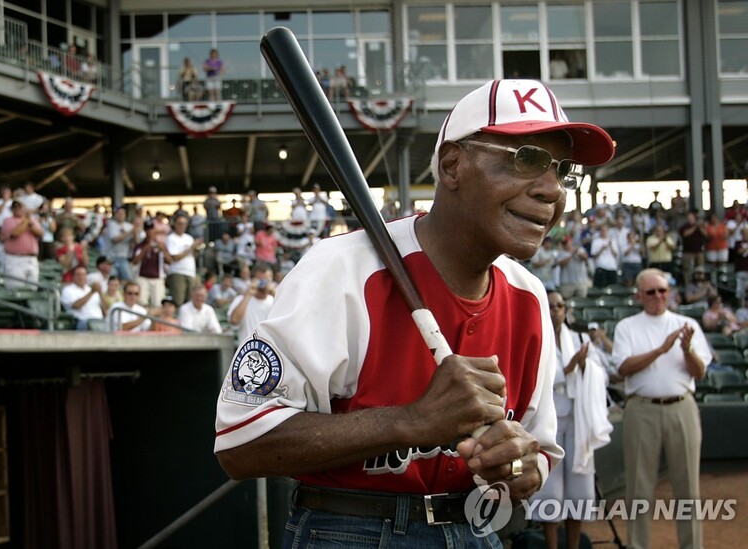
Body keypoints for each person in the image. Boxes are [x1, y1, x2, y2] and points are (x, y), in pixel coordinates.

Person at [214, 78, 615, 547]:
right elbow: (241, 443)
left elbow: (536, 454)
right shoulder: (343, 268)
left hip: (474, 528)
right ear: (452, 166)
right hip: (347, 528)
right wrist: (412, 421)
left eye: (563, 170)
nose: (552, 190)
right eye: (527, 159)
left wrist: (518, 465)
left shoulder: (529, 296)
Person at [612, 268, 711, 549]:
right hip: (641, 410)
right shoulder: (627, 327)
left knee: (688, 488)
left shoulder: (686, 324)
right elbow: (623, 367)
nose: (658, 296)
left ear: (670, 292)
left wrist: (687, 349)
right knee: (639, 488)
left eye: (663, 290)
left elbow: (699, 372)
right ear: (639, 295)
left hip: (682, 407)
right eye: (651, 292)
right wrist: (661, 349)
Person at [529, 291, 611, 549]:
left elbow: (603, 374)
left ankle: (573, 545)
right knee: (550, 488)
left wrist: (584, 366)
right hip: (548, 420)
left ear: (566, 310)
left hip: (578, 418)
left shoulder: (579, 338)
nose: (556, 310)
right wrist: (568, 369)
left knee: (579, 486)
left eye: (560, 306)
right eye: (551, 306)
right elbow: (533, 377)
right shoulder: (537, 336)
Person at [226, 263, 275, 344]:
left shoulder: (274, 300)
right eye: (261, 280)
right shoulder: (241, 300)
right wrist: (248, 294)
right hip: (248, 352)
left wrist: (276, 295)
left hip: (269, 352)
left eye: (268, 279)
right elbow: (234, 320)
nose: (265, 283)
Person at [0, 199, 44, 289]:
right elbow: (15, 233)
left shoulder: (33, 221)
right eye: (15, 207)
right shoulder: (8, 221)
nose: (18, 209)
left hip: (31, 259)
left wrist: (30, 223)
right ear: (12, 209)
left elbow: (41, 234)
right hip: (14, 259)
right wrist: (27, 221)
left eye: (21, 207)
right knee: (16, 288)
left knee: (32, 289)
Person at [131, 219, 171, 309]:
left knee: (157, 304)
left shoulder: (161, 245)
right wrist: (145, 249)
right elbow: (134, 261)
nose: (150, 232)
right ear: (145, 231)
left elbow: (169, 261)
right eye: (147, 229)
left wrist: (164, 251)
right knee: (141, 303)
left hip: (157, 277)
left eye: (151, 229)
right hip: (142, 276)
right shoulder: (140, 245)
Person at [166, 215, 201, 307]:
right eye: (180, 224)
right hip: (177, 272)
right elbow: (175, 257)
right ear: (175, 224)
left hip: (190, 272)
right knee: (178, 301)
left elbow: (193, 255)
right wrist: (191, 248)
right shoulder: (171, 238)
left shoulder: (189, 238)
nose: (182, 226)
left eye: (184, 224)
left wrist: (196, 250)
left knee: (190, 303)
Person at [60, 265, 105, 330]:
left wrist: (100, 293)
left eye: (84, 275)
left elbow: (105, 310)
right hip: (81, 321)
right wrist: (91, 292)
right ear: (73, 277)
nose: (81, 277)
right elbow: (76, 305)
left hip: (99, 321)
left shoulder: (91, 289)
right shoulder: (68, 290)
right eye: (78, 275)